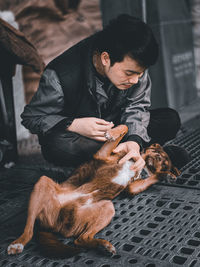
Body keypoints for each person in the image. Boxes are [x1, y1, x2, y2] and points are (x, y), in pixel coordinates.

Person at [21, 14, 182, 172]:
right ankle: (136, 159)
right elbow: (32, 118)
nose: (135, 80)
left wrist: (134, 140)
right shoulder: (59, 75)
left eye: (140, 74)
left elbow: (137, 106)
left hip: (119, 131)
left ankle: (126, 155)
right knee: (57, 146)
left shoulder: (136, 66)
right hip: (85, 139)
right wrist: (73, 124)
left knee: (169, 120)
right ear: (106, 59)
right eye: (129, 73)